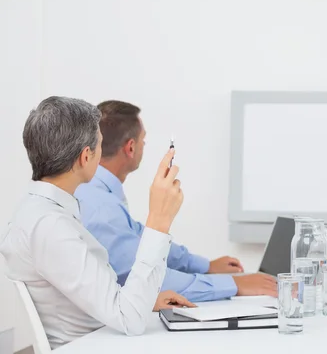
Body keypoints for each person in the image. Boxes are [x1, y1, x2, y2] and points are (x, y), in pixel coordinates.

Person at [0, 97, 194, 349]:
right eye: (100, 146)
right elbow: (130, 319)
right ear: (85, 156)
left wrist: (146, 299)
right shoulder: (49, 226)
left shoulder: (39, 211)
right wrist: (159, 220)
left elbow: (100, 299)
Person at [74, 100, 277, 302]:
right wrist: (233, 285)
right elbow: (144, 280)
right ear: (131, 147)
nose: (144, 146)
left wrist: (205, 266)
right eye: (143, 141)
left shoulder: (100, 194)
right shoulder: (100, 206)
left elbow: (138, 238)